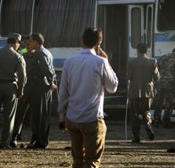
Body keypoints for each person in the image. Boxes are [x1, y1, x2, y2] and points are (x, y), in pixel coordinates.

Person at [58, 27, 118, 167]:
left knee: (77, 161)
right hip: (92, 119)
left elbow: (63, 92)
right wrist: (106, 61)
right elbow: (113, 87)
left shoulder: (69, 61)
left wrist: (61, 117)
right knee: (91, 161)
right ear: (99, 43)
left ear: (82, 40)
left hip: (72, 118)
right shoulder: (100, 62)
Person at [0, 33, 26, 149]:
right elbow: (22, 76)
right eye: (19, 44)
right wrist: (20, 90)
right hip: (10, 87)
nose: (19, 46)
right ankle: (5, 143)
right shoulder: (18, 57)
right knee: (9, 116)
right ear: (16, 43)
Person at [25, 33, 56, 149]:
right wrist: (51, 82)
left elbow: (46, 69)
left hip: (39, 87)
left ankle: (40, 141)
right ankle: (41, 140)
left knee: (38, 115)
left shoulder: (38, 52)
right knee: (44, 115)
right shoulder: (47, 52)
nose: (29, 44)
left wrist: (50, 80)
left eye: (31, 41)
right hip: (45, 87)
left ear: (36, 42)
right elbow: (51, 69)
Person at [126, 42, 160, 143]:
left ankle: (137, 137)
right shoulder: (153, 61)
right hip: (148, 92)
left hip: (134, 92)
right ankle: (148, 126)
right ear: (147, 50)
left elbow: (128, 77)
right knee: (146, 111)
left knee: (135, 115)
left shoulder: (132, 62)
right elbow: (157, 77)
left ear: (137, 50)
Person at [11, 36, 34, 147]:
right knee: (20, 113)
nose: (28, 45)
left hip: (34, 88)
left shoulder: (38, 55)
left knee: (34, 115)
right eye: (27, 43)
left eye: (30, 43)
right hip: (24, 88)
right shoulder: (21, 55)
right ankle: (15, 135)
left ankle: (35, 137)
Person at [153, 47, 175, 128]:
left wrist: (156, 82)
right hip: (170, 83)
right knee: (169, 102)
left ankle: (156, 120)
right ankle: (166, 121)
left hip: (160, 82)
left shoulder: (162, 57)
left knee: (159, 101)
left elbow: (156, 70)